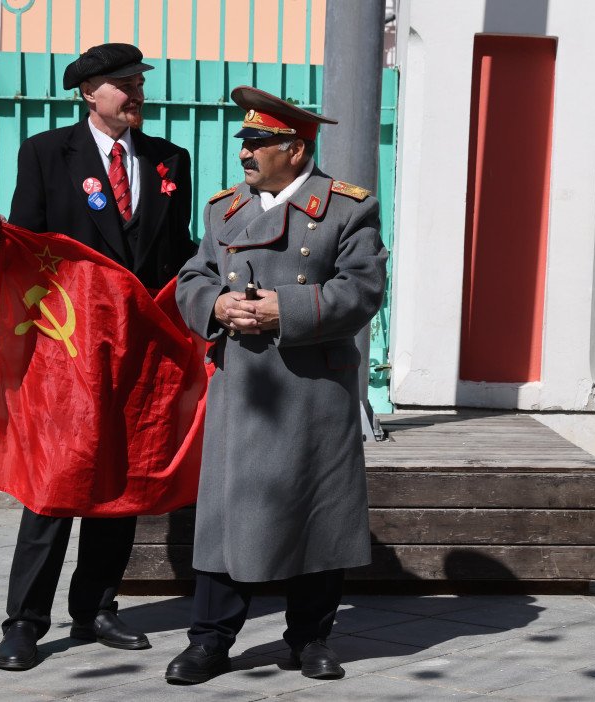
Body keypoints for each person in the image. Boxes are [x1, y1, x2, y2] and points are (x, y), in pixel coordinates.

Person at [0, 42, 196, 671]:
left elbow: (177, 253)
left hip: (139, 352)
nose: (135, 92)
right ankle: (24, 621)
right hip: (67, 352)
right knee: (55, 482)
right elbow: (28, 245)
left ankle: (98, 607)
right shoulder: (48, 153)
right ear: (88, 93)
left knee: (121, 478)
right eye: (122, 83)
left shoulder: (168, 160)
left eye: (138, 81)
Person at [167, 85, 388, 684]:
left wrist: (282, 311)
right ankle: (210, 640)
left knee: (316, 512)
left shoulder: (347, 208)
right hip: (243, 387)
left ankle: (311, 639)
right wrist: (215, 306)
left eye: (258, 141)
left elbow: (362, 290)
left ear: (295, 149)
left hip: (313, 386)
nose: (246, 151)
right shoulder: (224, 209)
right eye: (244, 140)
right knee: (224, 516)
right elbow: (193, 274)